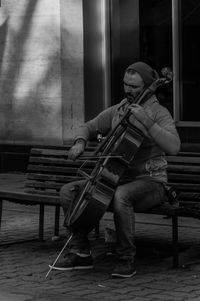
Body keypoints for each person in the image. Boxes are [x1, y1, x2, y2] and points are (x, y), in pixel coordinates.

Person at [50, 61, 181, 278]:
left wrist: (148, 123)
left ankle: (126, 258)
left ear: (148, 87)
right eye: (125, 85)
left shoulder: (159, 113)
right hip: (116, 178)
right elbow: (89, 126)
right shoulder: (120, 109)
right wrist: (80, 141)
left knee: (122, 196)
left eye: (134, 87)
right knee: (68, 191)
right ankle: (81, 252)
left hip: (151, 182)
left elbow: (174, 147)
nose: (128, 90)